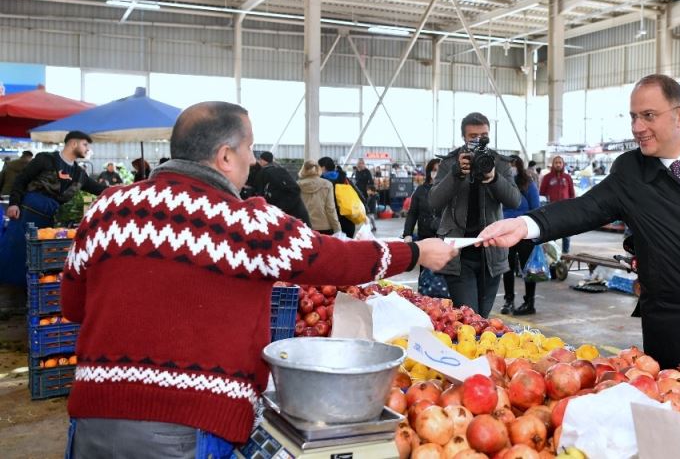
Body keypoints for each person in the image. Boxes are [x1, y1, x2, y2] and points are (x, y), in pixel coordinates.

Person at [60, 101, 458, 457]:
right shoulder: (243, 221)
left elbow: (72, 305)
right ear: (225, 156)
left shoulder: (107, 208)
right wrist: (417, 252)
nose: (253, 160)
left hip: (94, 415)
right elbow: (334, 258)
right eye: (249, 149)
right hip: (188, 426)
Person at [478, 74, 680, 392]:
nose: (637, 127)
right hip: (678, 338)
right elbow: (584, 209)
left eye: (648, 116)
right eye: (634, 117)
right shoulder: (631, 172)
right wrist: (525, 225)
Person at [429, 112, 520, 318]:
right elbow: (434, 201)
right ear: (464, 137)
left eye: (484, 135)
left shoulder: (498, 162)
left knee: (482, 319)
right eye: (473, 137)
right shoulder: (451, 162)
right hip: (459, 254)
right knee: (469, 318)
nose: (479, 140)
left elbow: (515, 200)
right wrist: (456, 173)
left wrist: (494, 177)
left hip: (491, 253)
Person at [0, 132, 105, 286]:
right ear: (73, 144)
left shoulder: (79, 174)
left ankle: (29, 294)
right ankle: (7, 295)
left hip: (48, 219)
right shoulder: (45, 159)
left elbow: (99, 189)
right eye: (85, 144)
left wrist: (125, 189)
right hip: (26, 212)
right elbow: (21, 180)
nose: (87, 149)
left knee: (37, 260)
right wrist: (14, 203)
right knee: (15, 253)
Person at [501, 155, 540, 316]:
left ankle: (529, 302)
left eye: (513, 165)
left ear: (519, 166)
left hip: (525, 233)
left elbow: (536, 207)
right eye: (508, 165)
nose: (511, 168)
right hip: (506, 232)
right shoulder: (502, 185)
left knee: (528, 269)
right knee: (507, 268)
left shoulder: (528, 184)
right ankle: (508, 300)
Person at [253, 151, 310, 225]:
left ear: (263, 160)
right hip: (293, 219)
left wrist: (277, 209)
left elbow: (293, 191)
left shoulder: (271, 172)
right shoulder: (274, 170)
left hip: (291, 220)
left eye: (259, 160)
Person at [318, 156, 364, 238]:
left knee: (333, 248)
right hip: (348, 219)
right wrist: (365, 207)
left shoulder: (321, 182)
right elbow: (358, 195)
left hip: (330, 223)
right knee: (347, 248)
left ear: (323, 168)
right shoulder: (344, 178)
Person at [538, 155, 575, 254]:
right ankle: (552, 256)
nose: (558, 164)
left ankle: (566, 255)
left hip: (566, 210)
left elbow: (572, 194)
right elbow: (542, 194)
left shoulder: (567, 178)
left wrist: (573, 208)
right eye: (556, 163)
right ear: (553, 164)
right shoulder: (547, 177)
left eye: (560, 162)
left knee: (566, 233)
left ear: (563, 164)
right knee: (552, 234)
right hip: (551, 210)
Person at [297, 160, 341, 235]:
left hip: (304, 226)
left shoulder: (297, 185)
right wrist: (337, 228)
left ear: (303, 170)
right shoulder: (327, 184)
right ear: (318, 169)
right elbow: (330, 209)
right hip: (324, 227)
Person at [403, 158, 440, 243]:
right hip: (424, 236)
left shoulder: (448, 190)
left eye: (440, 170)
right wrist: (408, 234)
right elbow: (412, 213)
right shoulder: (420, 190)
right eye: (434, 170)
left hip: (443, 236)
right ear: (429, 171)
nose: (437, 173)